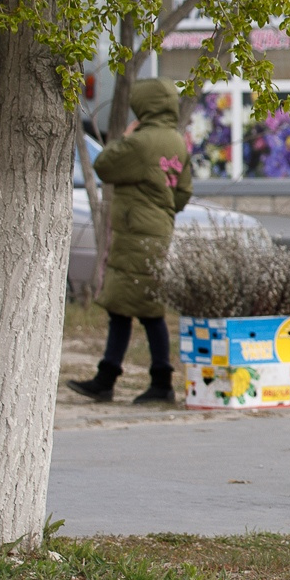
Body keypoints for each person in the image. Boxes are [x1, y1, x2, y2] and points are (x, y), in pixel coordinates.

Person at [68, 78, 192, 405]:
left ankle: (160, 382)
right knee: (123, 306)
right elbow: (183, 194)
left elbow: (105, 165)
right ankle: (107, 377)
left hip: (136, 232)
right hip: (156, 230)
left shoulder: (141, 142)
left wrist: (124, 137)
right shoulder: (177, 142)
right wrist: (161, 206)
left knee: (147, 309)